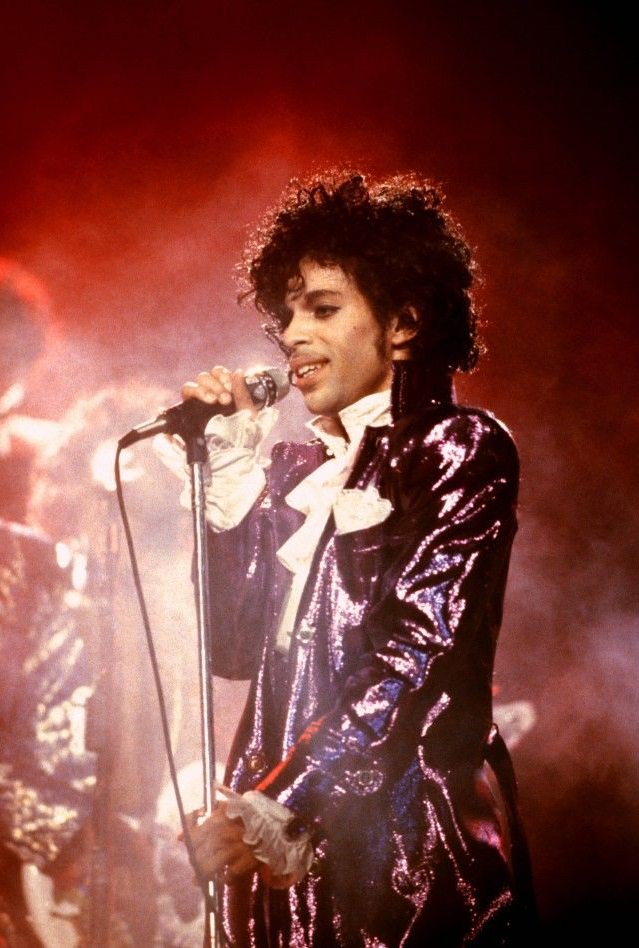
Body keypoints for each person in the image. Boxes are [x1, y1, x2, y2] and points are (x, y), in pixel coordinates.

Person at [162, 170, 537, 946]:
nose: (293, 333)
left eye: (323, 309)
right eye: (287, 313)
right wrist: (229, 489)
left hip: (402, 845)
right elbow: (232, 652)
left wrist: (286, 801)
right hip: (283, 845)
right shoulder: (301, 473)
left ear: (402, 322)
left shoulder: (457, 448)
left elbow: (413, 652)